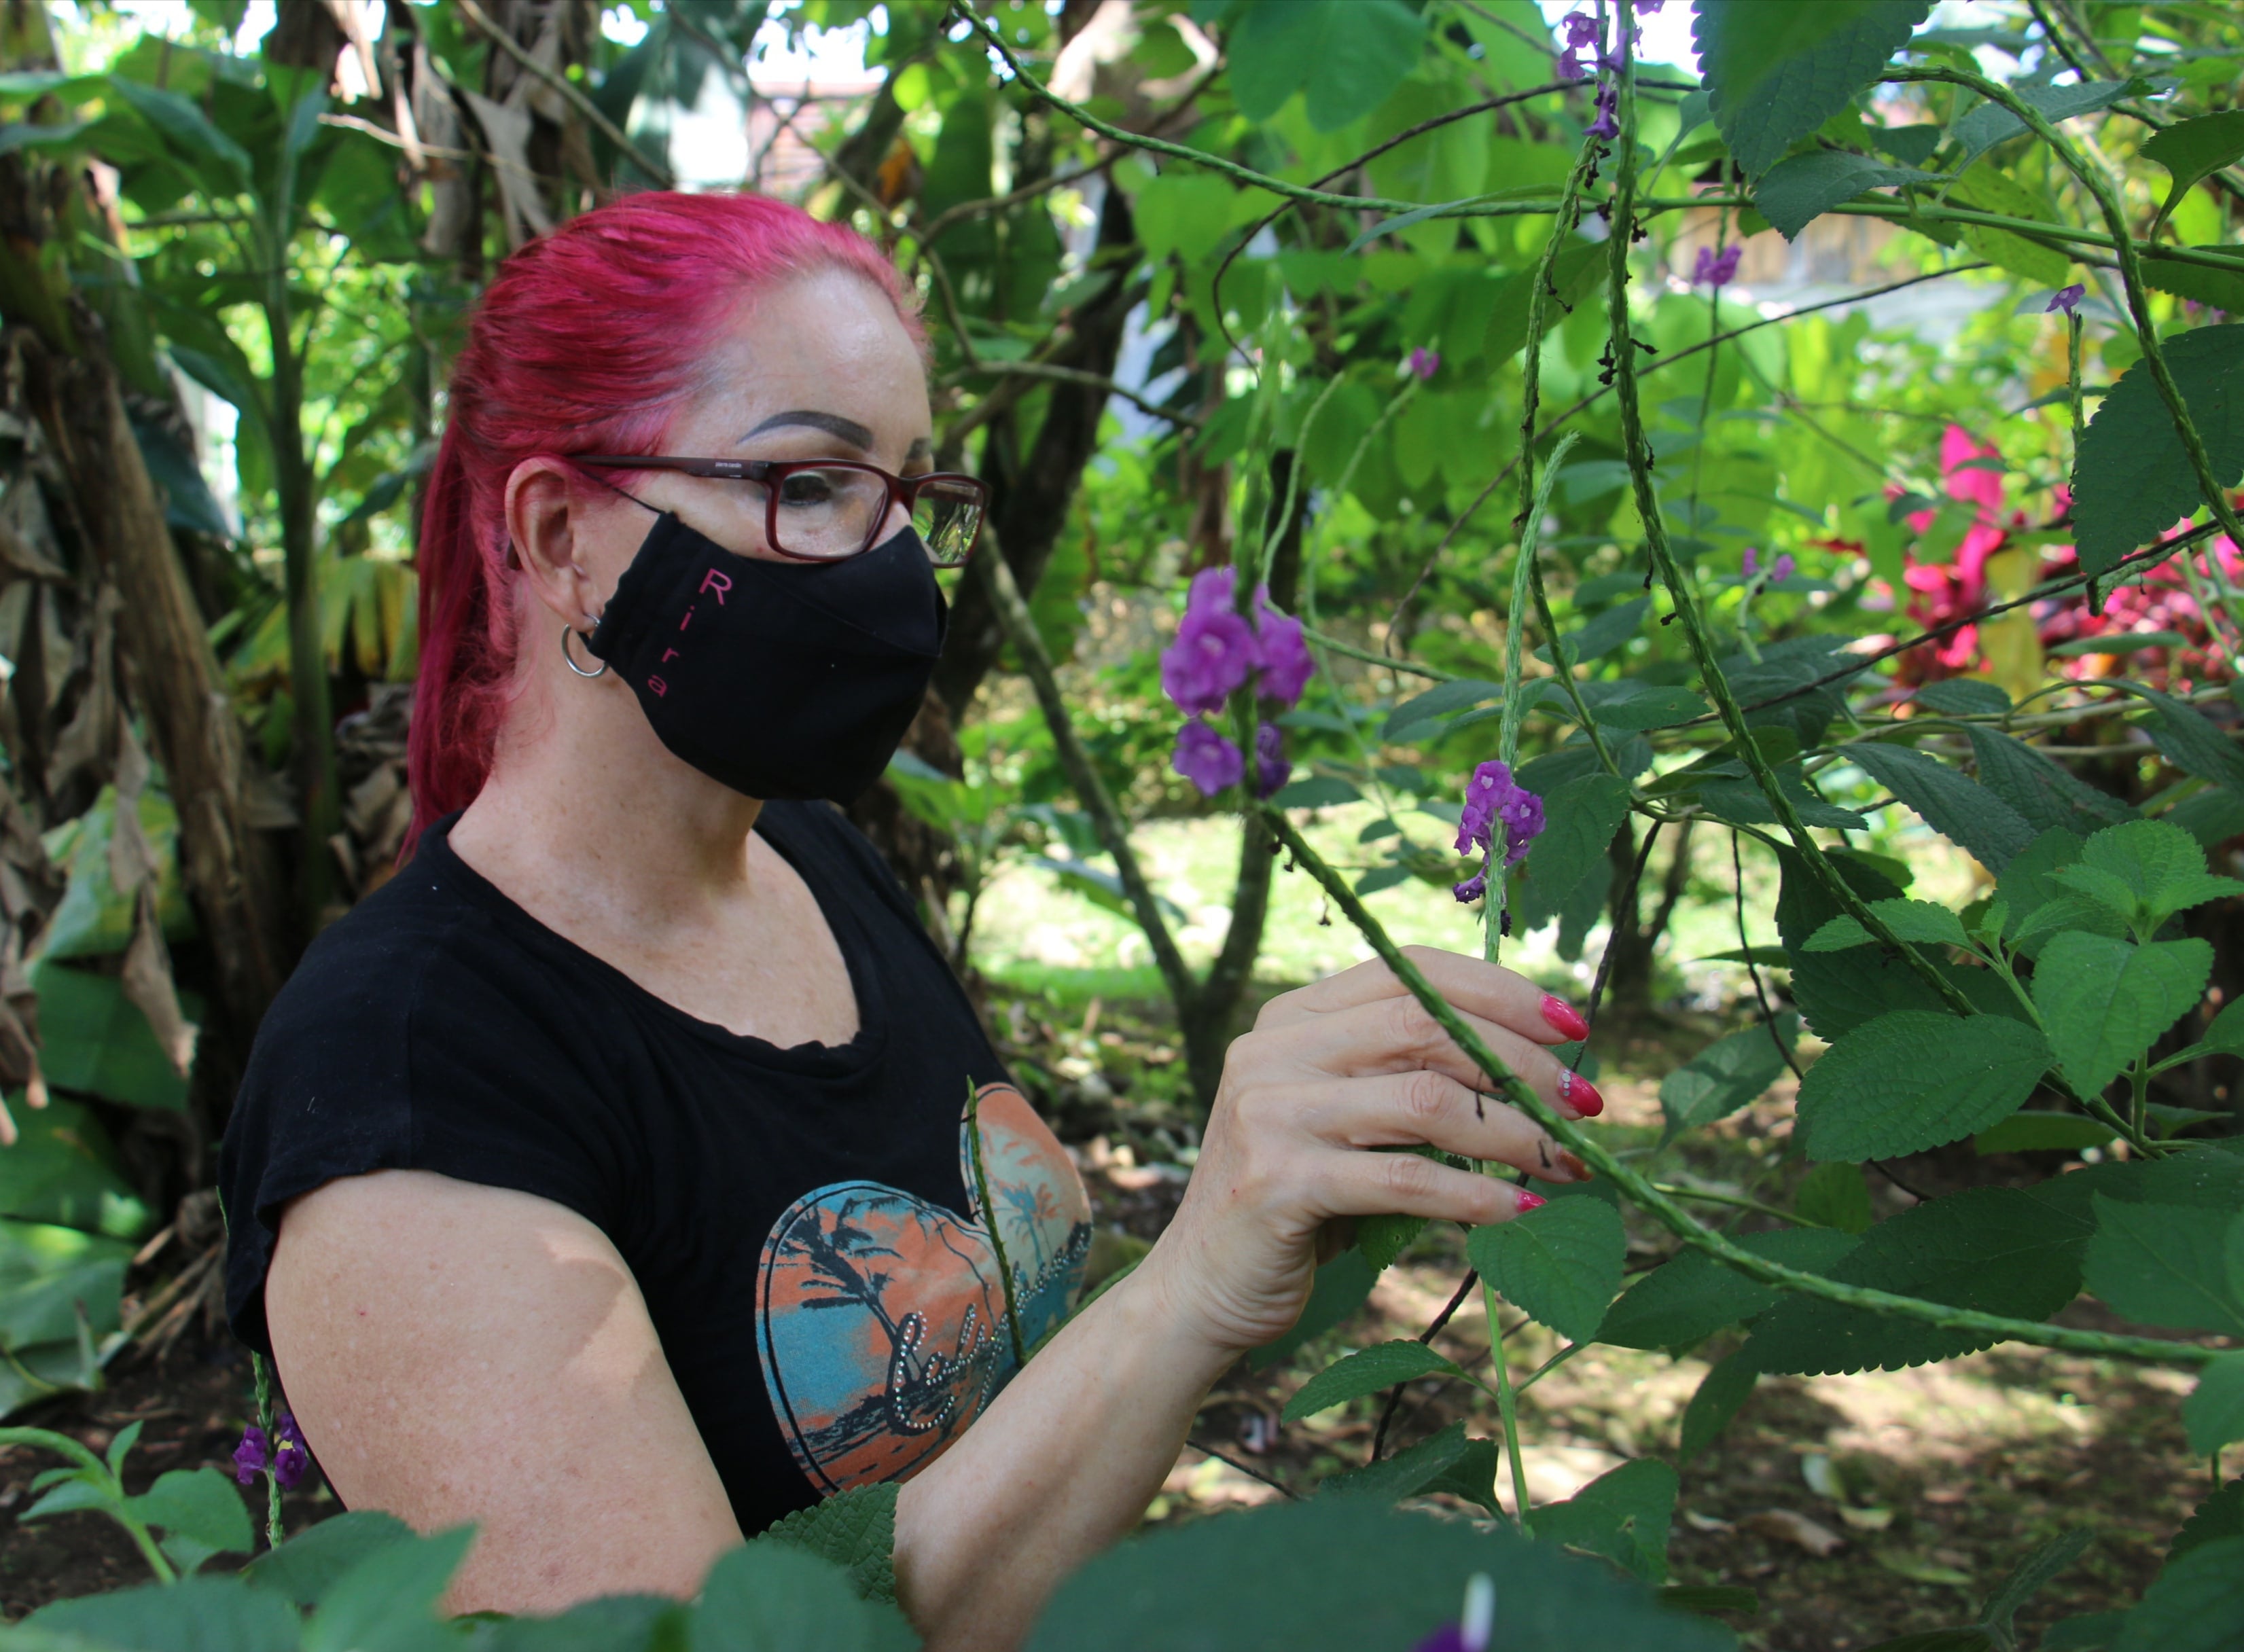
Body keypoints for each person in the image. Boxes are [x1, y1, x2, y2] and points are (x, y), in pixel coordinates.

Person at [219, 191, 1603, 1651]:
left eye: (912, 495)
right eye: (809, 482)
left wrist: (1278, 1200)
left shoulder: (813, 863)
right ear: (563, 535)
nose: (890, 565)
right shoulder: (407, 1083)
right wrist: (1187, 1282)